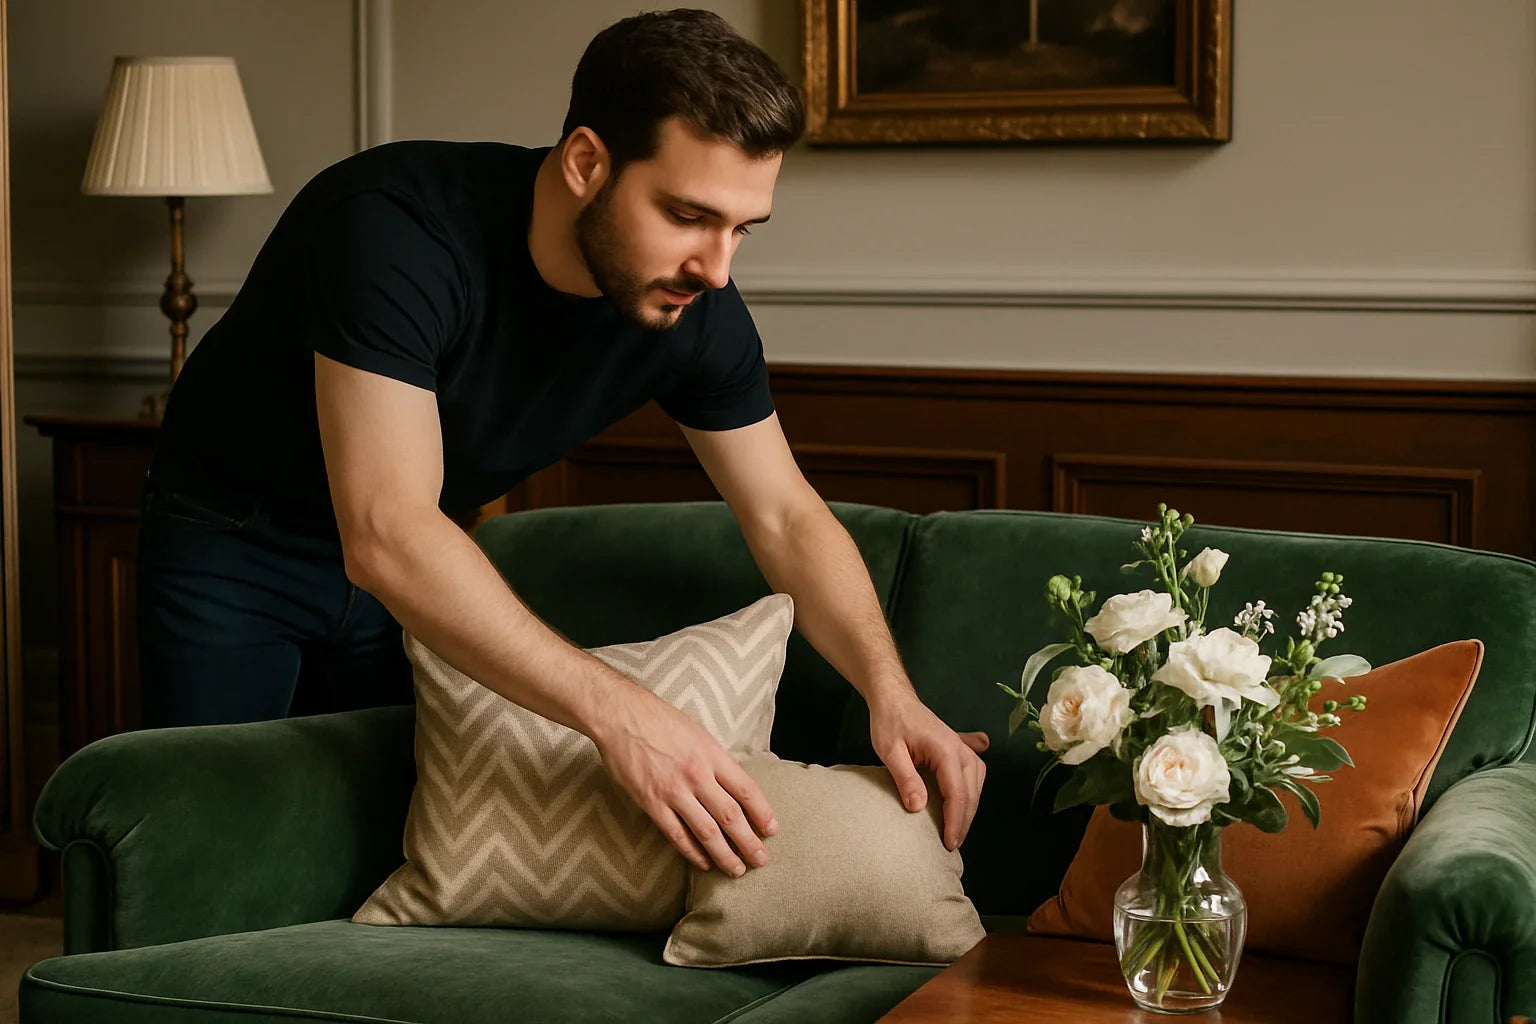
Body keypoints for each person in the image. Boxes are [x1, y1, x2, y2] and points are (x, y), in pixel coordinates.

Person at [137, 8, 988, 880]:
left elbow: (785, 516)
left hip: (416, 565)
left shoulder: (695, 308)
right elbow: (386, 531)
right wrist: (626, 715)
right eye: (687, 215)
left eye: (742, 228)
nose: (717, 267)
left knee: (384, 864)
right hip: (234, 544)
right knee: (207, 850)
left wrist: (891, 694)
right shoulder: (393, 226)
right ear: (586, 163)